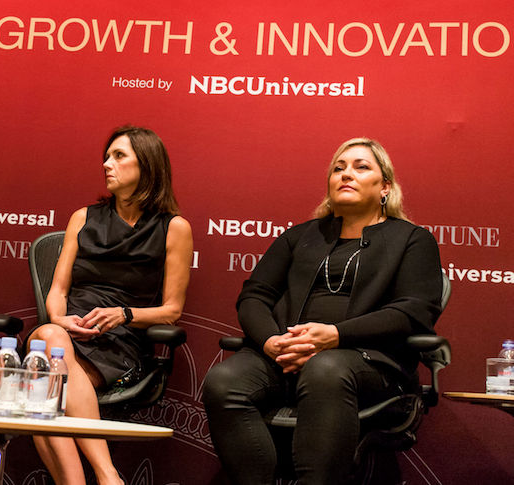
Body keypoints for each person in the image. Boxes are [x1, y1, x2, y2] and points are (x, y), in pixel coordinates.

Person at [202, 138, 443, 485]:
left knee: (326, 367)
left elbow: (413, 311)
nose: (346, 174)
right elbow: (254, 296)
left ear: (385, 187)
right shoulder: (300, 237)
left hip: (368, 363)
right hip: (284, 355)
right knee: (224, 381)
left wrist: (334, 336)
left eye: (361, 167)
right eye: (338, 168)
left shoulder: (412, 240)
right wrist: (271, 341)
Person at [28, 126, 193, 485]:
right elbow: (57, 290)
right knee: (50, 337)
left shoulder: (173, 228)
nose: (106, 164)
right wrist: (61, 318)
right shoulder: (83, 218)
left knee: (44, 392)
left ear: (146, 166)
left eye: (119, 156)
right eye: (107, 156)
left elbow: (171, 310)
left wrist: (123, 315)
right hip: (71, 332)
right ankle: (107, 476)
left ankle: (91, 479)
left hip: (121, 340)